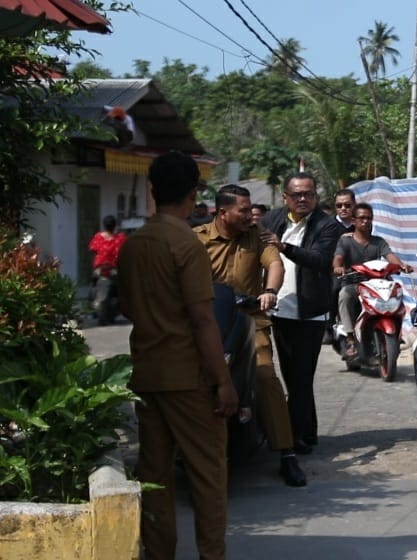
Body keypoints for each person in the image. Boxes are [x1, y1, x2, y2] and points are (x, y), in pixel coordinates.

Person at [117, 151, 238, 560]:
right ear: (193, 193)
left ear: (152, 190)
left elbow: (129, 308)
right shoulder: (187, 244)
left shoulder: (133, 245)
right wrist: (224, 381)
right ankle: (211, 555)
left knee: (154, 475)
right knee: (208, 474)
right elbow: (203, 319)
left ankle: (159, 554)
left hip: (147, 373)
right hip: (188, 377)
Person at [193, 184, 307, 487]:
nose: (250, 215)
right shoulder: (197, 239)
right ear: (223, 212)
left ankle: (286, 453)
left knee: (266, 377)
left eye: (250, 209)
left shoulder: (258, 235)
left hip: (250, 322)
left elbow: (275, 264)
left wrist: (270, 291)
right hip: (207, 324)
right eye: (243, 210)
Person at [260, 172, 341, 453]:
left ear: (316, 196)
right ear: (286, 197)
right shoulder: (272, 219)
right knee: (291, 376)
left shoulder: (327, 225)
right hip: (279, 310)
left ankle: (293, 438)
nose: (303, 199)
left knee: (302, 376)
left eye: (309, 194)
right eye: (297, 195)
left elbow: (320, 260)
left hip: (310, 313)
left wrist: (284, 247)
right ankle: (306, 432)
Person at [332, 202, 412, 358]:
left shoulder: (378, 241)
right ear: (353, 220)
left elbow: (390, 256)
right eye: (361, 218)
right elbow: (338, 258)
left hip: (377, 284)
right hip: (354, 283)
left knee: (396, 293)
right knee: (344, 295)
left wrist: (402, 266)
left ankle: (397, 331)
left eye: (369, 218)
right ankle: (350, 338)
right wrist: (338, 267)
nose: (365, 221)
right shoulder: (345, 241)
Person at [325, 189, 356, 343]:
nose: (343, 209)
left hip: (359, 270)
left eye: (347, 205)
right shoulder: (327, 225)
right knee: (334, 289)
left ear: (354, 205)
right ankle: (329, 327)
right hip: (334, 270)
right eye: (339, 205)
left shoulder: (362, 223)